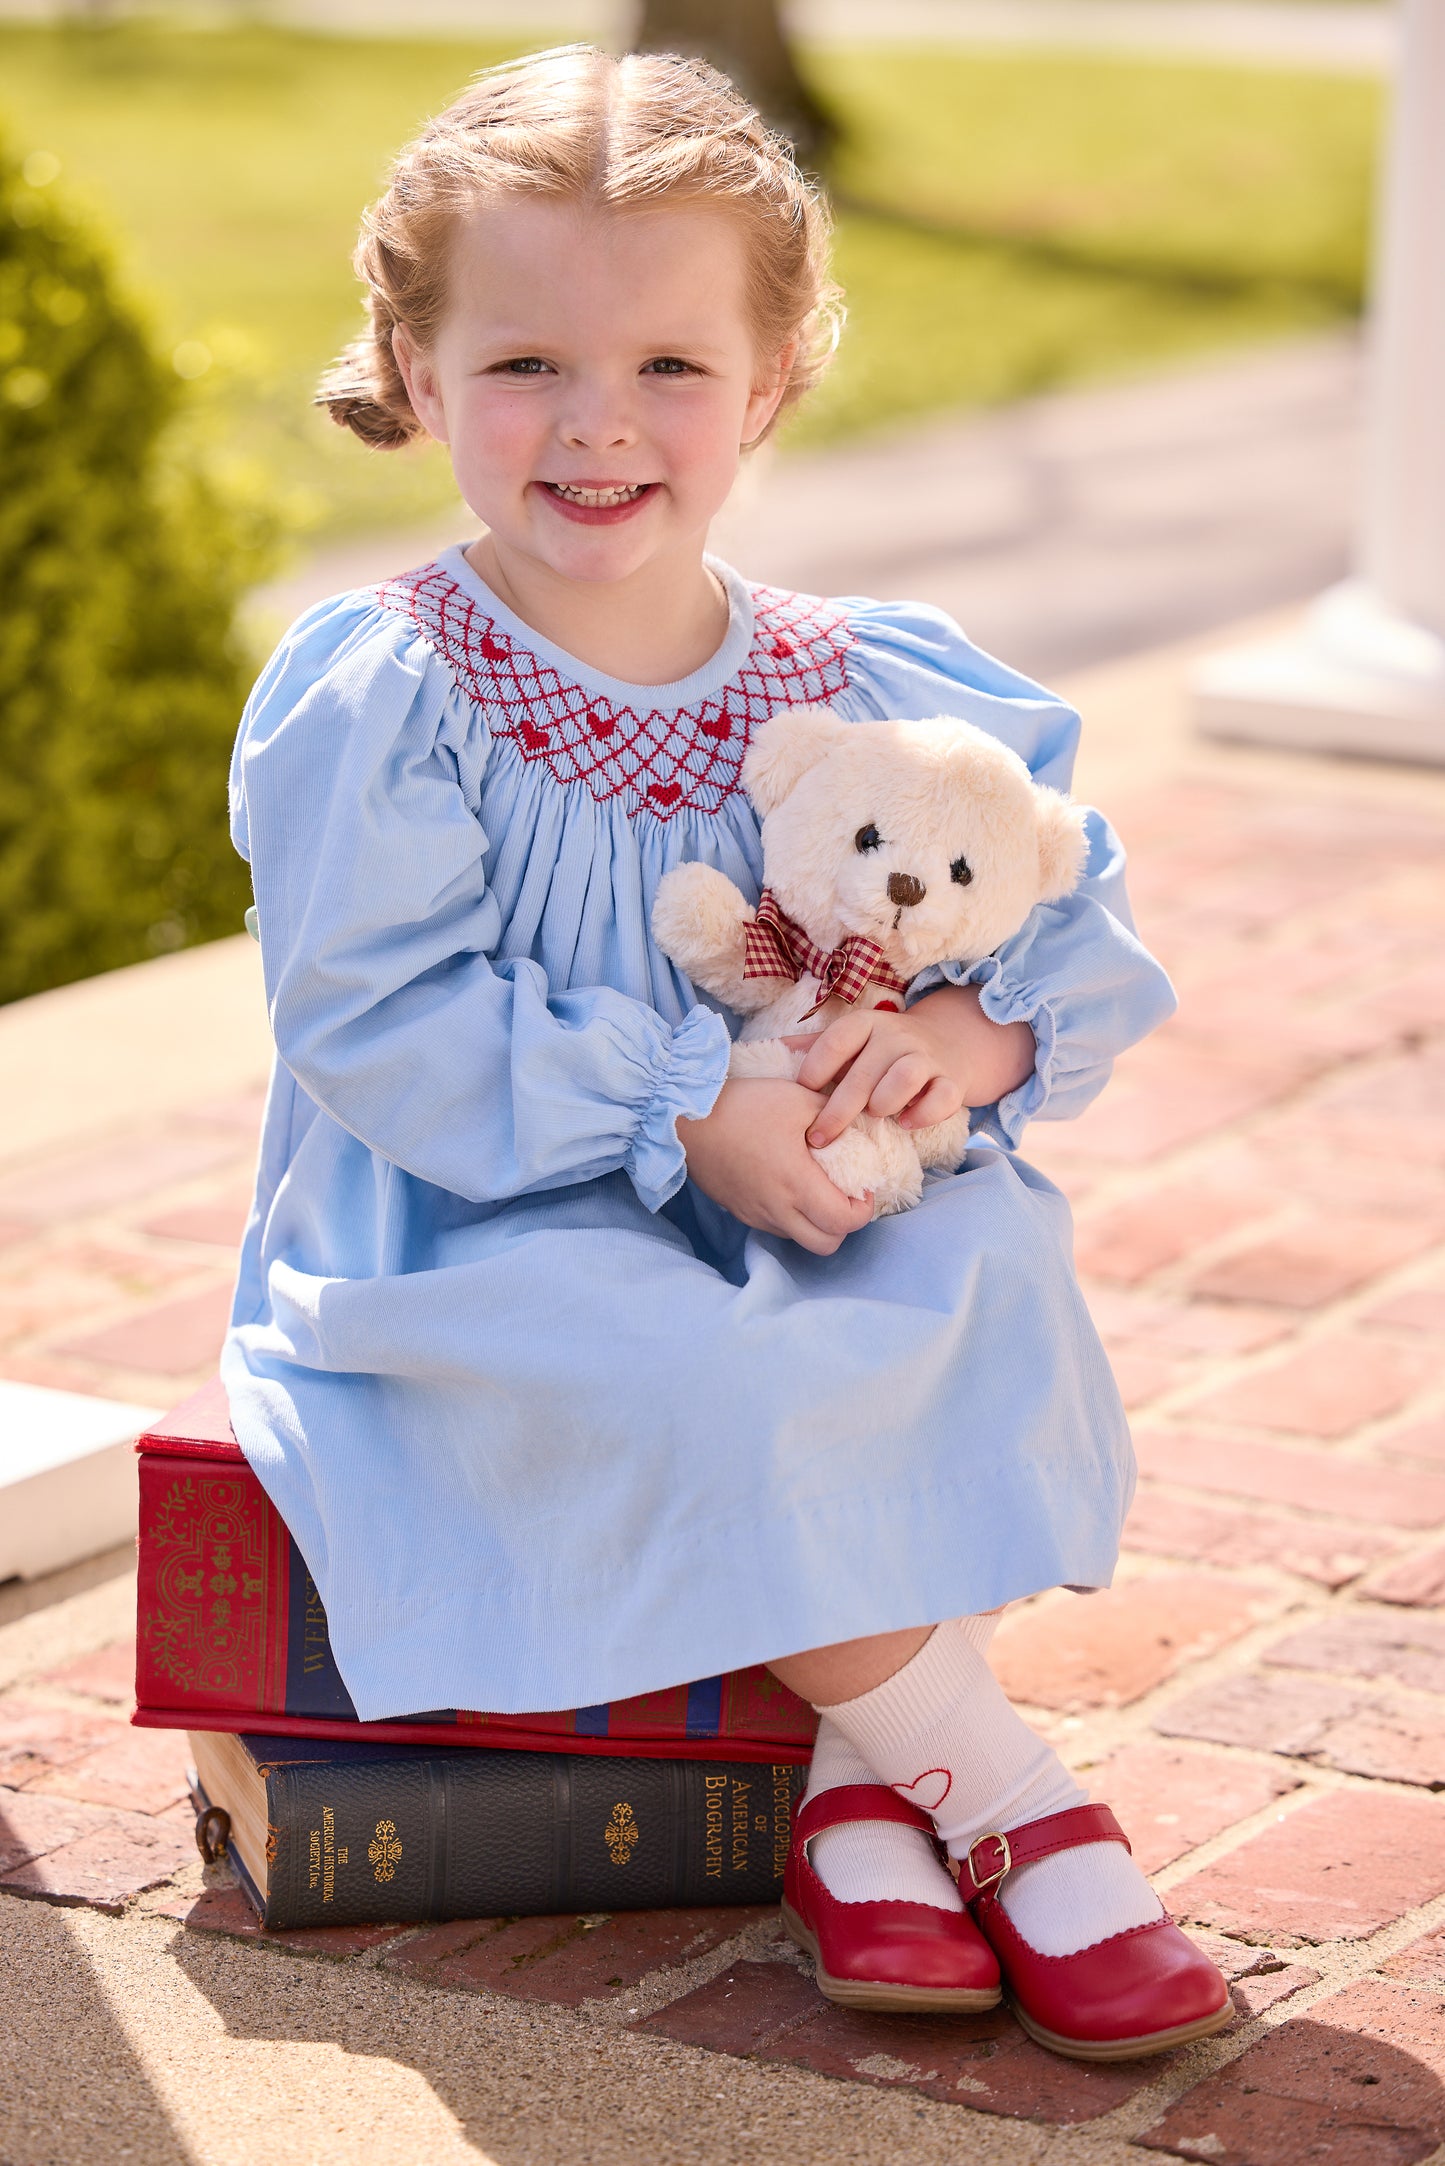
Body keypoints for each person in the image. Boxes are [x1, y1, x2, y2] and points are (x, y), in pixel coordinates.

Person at [225, 45, 1230, 2057]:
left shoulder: (863, 682)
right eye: (523, 365)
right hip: (490, 1216)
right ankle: (1001, 1790)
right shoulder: (393, 686)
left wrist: (964, 1034)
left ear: (772, 383)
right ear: (415, 374)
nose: (598, 428)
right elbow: (376, 1020)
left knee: (985, 1259)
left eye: (672, 369)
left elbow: (1067, 903)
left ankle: (860, 1790)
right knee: (684, 1356)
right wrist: (681, 1094)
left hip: (805, 1203)